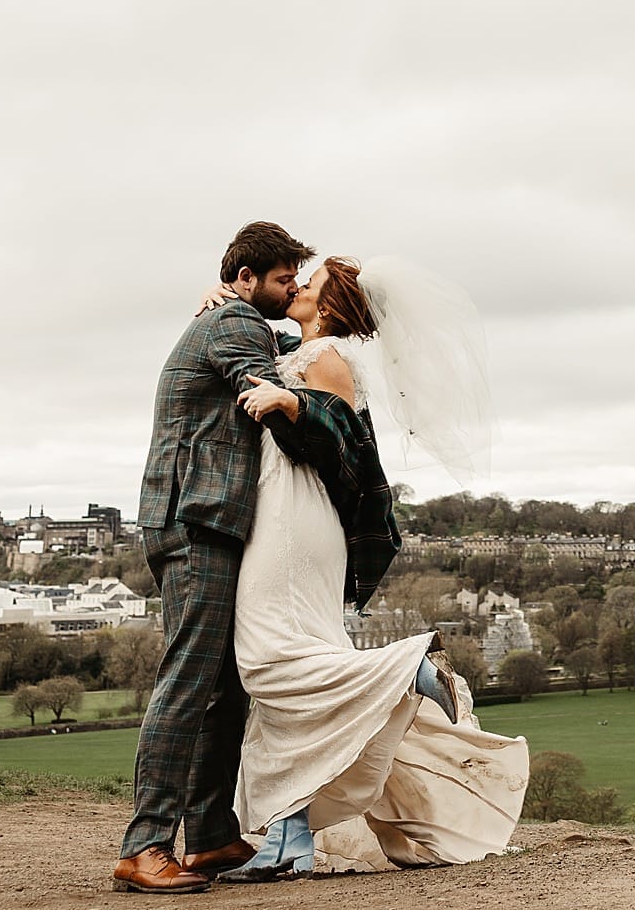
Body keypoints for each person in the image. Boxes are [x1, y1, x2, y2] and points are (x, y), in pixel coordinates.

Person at [215, 253, 527, 879]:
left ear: (328, 306)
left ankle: (405, 667)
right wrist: (222, 303)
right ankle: (290, 834)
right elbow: (256, 338)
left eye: (311, 283)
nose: (298, 286)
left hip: (294, 521)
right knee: (291, 678)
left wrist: (293, 405)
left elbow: (340, 437)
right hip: (280, 515)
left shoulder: (328, 358)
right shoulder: (299, 348)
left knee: (267, 659)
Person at [115, 221, 314, 894]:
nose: (292, 291)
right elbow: (269, 388)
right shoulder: (234, 325)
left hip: (211, 522)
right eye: (284, 280)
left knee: (223, 684)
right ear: (246, 278)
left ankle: (207, 836)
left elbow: (285, 350)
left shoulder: (236, 318)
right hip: (194, 521)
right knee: (189, 679)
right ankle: (144, 847)